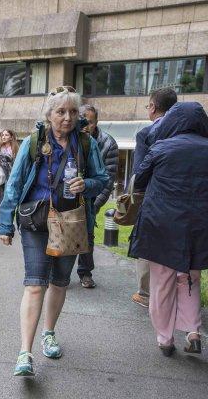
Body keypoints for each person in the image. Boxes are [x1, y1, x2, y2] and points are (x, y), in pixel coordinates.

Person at [0, 86, 108, 376]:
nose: (68, 117)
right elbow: (15, 183)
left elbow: (102, 178)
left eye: (73, 111)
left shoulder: (85, 144)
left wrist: (88, 184)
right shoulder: (34, 142)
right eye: (61, 112)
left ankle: (49, 332)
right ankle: (25, 352)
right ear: (49, 114)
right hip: (36, 221)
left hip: (71, 221)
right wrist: (5, 223)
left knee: (59, 282)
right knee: (35, 284)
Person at [129, 101, 208, 356]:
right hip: (199, 224)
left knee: (162, 281)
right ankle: (194, 331)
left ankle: (165, 339)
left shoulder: (161, 147)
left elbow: (139, 179)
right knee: (190, 278)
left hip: (161, 223)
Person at [130, 87, 178, 308]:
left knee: (148, 246)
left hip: (154, 199)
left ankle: (146, 293)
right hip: (186, 203)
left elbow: (139, 173)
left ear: (153, 107)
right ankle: (176, 295)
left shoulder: (146, 134)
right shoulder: (189, 133)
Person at [75, 104, 119, 288]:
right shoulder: (69, 139)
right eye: (82, 120)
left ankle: (85, 272)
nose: (85, 124)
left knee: (88, 236)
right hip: (69, 196)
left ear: (96, 123)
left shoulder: (108, 143)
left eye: (90, 122)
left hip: (92, 198)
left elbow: (108, 180)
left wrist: (95, 204)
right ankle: (58, 272)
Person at [0, 129, 19, 205]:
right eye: (3, 135)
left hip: (11, 177)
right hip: (0, 176)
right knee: (2, 200)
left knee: (9, 199)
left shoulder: (15, 149)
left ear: (11, 137)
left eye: (6, 135)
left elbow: (16, 164)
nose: (4, 137)